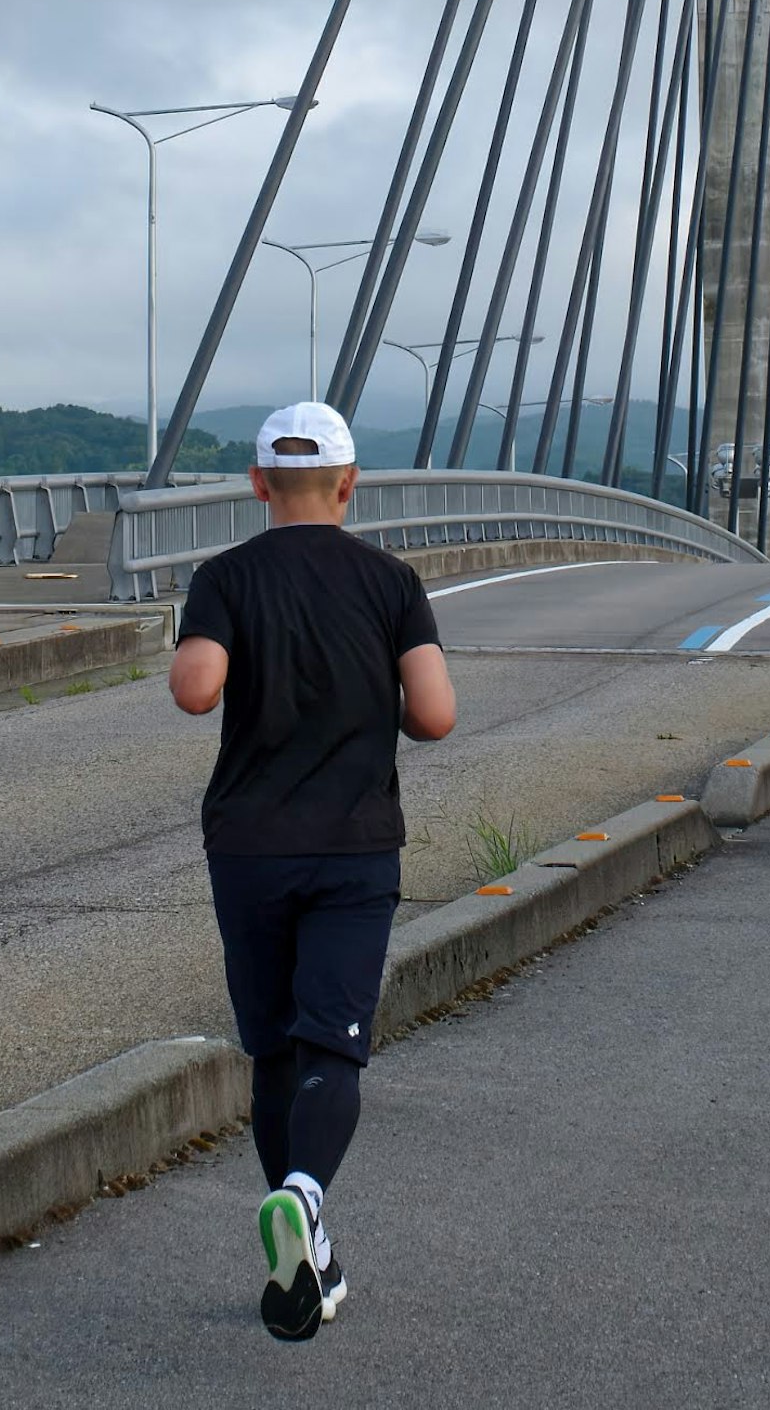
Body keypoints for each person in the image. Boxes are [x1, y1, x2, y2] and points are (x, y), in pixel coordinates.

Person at [168, 401, 459, 1343]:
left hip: (248, 848)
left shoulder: (224, 577)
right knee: (332, 1044)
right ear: (347, 484)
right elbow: (437, 715)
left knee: (275, 1053)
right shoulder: (391, 582)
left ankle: (309, 1253)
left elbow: (195, 691)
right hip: (354, 846)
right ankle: (304, 1193)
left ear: (257, 484)